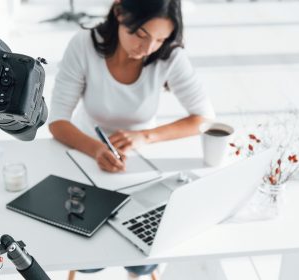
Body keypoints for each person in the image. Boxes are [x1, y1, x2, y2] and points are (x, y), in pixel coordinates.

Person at [49, 0, 215, 278]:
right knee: (90, 258)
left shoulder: (168, 55)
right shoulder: (84, 45)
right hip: (85, 154)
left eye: (160, 39)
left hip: (140, 163)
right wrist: (96, 149)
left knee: (142, 253)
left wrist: (145, 136)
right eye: (141, 35)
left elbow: (204, 118)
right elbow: (57, 121)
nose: (148, 48)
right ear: (119, 12)